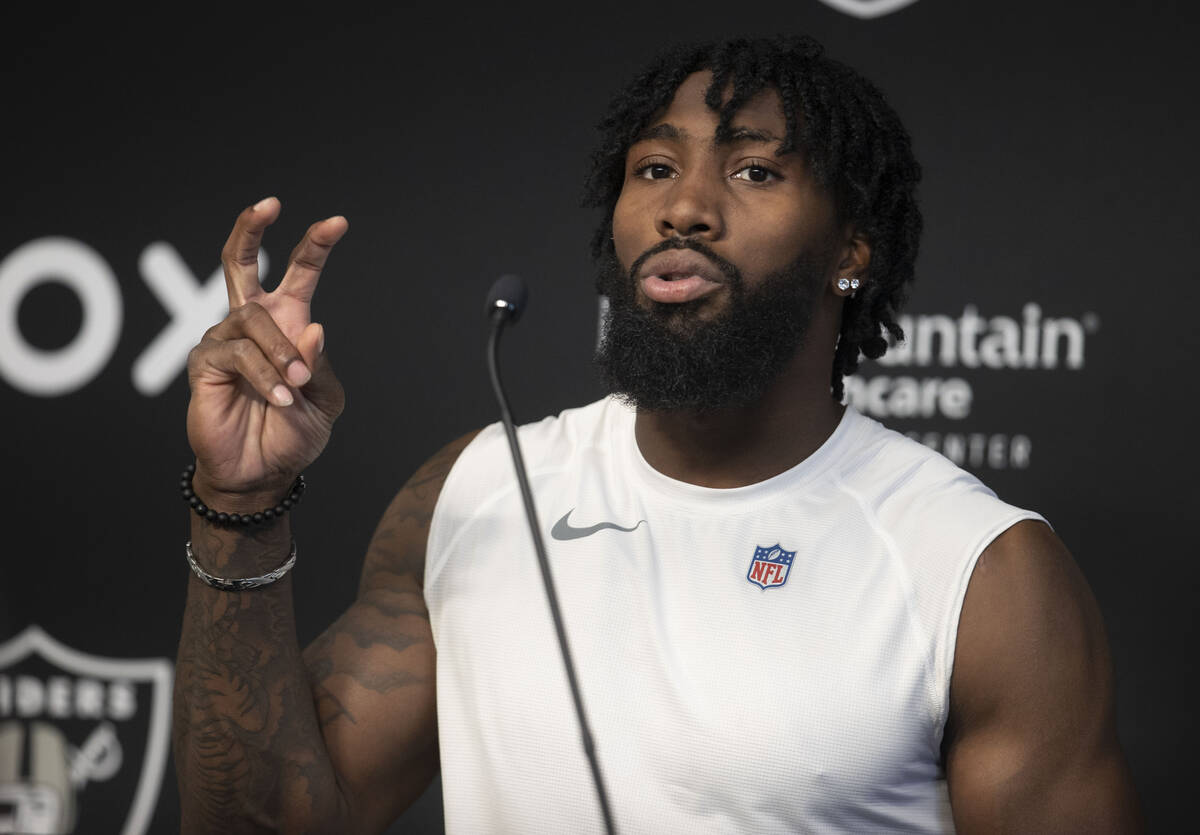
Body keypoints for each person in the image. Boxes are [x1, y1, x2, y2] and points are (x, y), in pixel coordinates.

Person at [173, 35, 1142, 834]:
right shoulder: (473, 492)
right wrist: (241, 504)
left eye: (756, 168)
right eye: (655, 168)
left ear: (853, 249)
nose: (685, 206)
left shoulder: (980, 571)